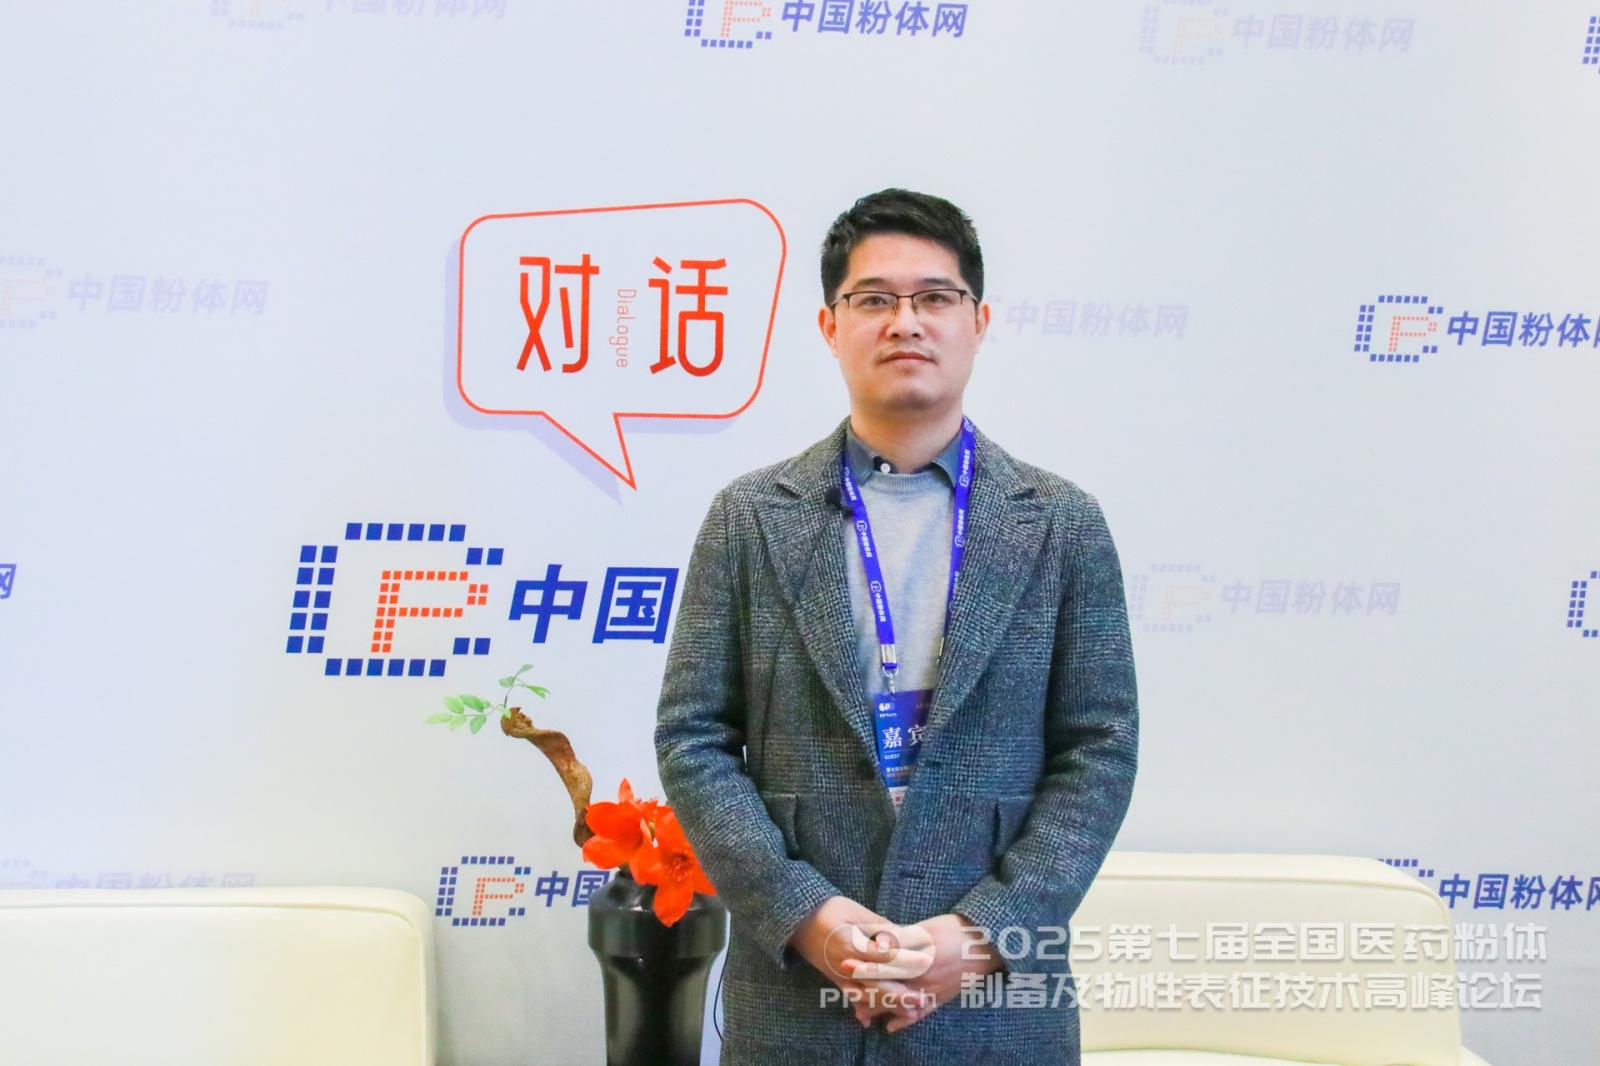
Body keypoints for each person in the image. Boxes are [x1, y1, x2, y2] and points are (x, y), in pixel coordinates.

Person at [654, 188, 1138, 1065]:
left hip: (993, 1007)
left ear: (978, 321)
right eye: (873, 298)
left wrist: (986, 933)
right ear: (829, 326)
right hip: (796, 1001)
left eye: (935, 297)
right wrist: (805, 915)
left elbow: (1099, 749)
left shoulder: (1061, 523)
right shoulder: (751, 517)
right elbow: (693, 739)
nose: (905, 321)